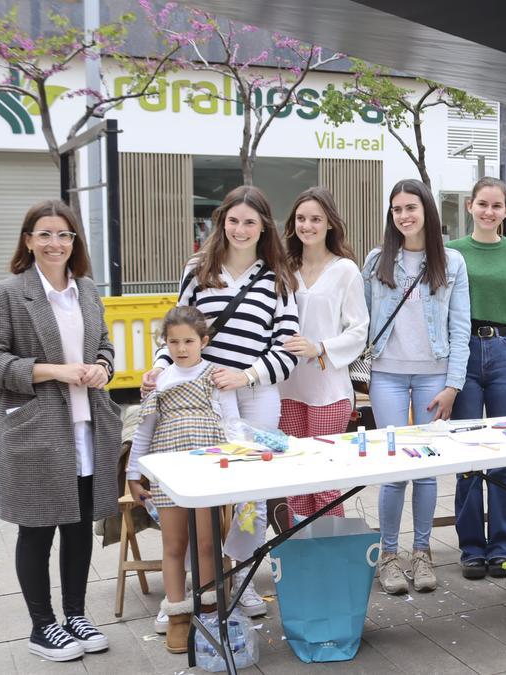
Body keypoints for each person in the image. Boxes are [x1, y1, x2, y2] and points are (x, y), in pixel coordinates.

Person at [143, 185, 299, 619]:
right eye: (233, 220)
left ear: (264, 225)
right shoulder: (198, 269)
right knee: (200, 490)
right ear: (222, 221)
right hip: (200, 399)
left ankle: (243, 577)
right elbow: (177, 328)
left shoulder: (278, 276)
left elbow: (286, 350)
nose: (241, 229)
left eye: (250, 221)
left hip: (256, 395)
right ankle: (197, 587)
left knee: (253, 495)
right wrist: (159, 369)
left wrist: (244, 374)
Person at [0, 200, 120, 662]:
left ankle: (75, 614)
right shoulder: (9, 294)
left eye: (64, 235)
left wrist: (101, 367)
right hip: (37, 430)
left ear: (74, 242)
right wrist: (54, 370)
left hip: (87, 426)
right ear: (28, 240)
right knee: (37, 529)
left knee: (79, 527)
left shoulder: (87, 290)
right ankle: (42, 626)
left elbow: (103, 344)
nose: (55, 243)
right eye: (45, 234)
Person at [363, 179, 470, 595]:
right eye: (396, 209)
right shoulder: (376, 262)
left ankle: (422, 552)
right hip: (387, 374)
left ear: (427, 210)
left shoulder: (452, 263)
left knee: (426, 470)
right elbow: (361, 320)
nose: (404, 216)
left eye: (411, 207)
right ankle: (389, 556)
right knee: (394, 471)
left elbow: (460, 329)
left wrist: (453, 385)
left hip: (433, 376)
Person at [126, 307, 239, 653]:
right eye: (173, 341)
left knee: (206, 545)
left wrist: (237, 463)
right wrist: (133, 473)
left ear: (203, 341)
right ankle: (176, 616)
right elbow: (144, 431)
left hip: (205, 471)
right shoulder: (158, 381)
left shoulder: (216, 376)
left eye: (189, 340)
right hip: (168, 471)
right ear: (165, 344)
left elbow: (232, 424)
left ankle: (207, 612)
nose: (181, 348)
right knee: (173, 546)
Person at [446, 177, 506, 579]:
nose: (488, 211)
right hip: (462, 352)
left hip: (505, 351)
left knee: (502, 455)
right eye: (482, 204)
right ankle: (470, 547)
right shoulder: (452, 253)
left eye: (496, 206)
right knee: (468, 456)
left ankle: (502, 544)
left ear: (505, 210)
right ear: (470, 206)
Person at [278, 187, 369, 518]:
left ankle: (331, 556)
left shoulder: (345, 270)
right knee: (297, 479)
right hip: (287, 387)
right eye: (301, 219)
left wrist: (320, 347)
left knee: (324, 481)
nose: (307, 226)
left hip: (329, 389)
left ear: (329, 223)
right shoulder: (284, 268)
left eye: (316, 219)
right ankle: (301, 557)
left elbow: (359, 329)